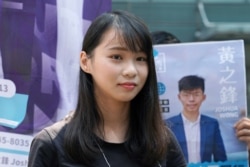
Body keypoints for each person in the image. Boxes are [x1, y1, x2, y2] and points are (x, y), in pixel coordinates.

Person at [27, 10, 186, 167]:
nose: (131, 70)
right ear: (85, 62)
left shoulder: (162, 142)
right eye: (117, 57)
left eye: (140, 59)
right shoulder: (52, 144)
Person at [166, 75, 227, 163]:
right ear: (179, 97)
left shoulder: (212, 124)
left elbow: (221, 159)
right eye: (186, 95)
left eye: (196, 94)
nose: (191, 99)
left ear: (203, 97)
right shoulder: (168, 124)